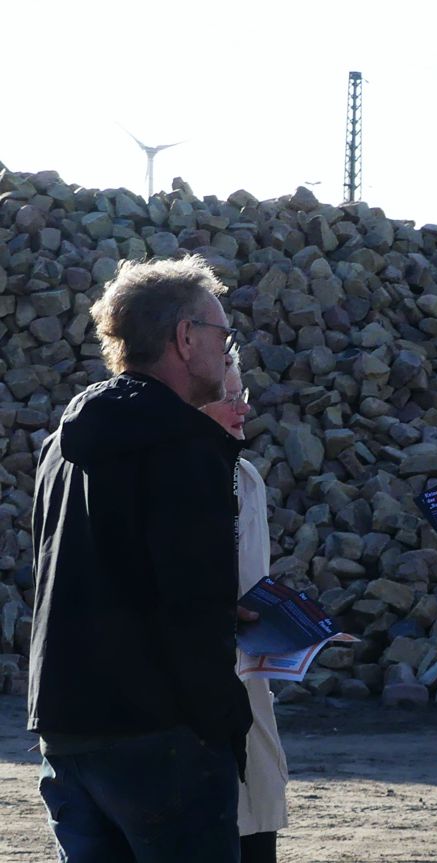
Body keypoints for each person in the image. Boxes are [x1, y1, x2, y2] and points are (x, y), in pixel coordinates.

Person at [28, 255, 252, 862]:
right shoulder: (187, 445)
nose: (225, 348)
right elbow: (193, 599)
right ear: (184, 338)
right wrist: (221, 725)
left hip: (67, 723)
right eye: (222, 335)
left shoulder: (58, 446)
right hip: (161, 732)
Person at [202, 358, 289, 863]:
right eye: (228, 396)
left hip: (246, 682)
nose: (243, 407)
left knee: (256, 817)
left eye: (244, 393)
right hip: (191, 695)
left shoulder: (246, 478)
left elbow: (253, 586)